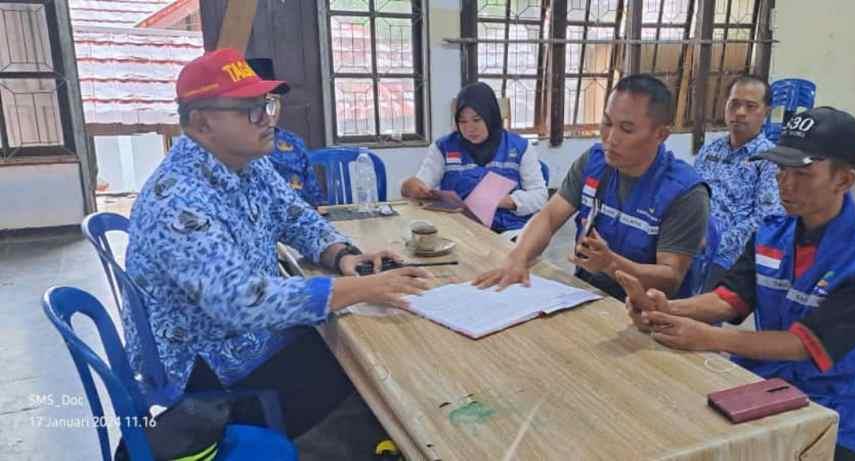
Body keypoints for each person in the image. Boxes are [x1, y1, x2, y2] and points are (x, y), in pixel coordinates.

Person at [125, 49, 431, 442]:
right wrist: (360, 289)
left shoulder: (247, 163)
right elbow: (241, 302)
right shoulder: (178, 201)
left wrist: (344, 256)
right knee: (374, 369)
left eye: (267, 105)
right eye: (251, 110)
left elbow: (294, 215)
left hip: (248, 340)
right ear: (202, 124)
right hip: (208, 374)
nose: (268, 118)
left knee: (364, 345)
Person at [618, 107, 855, 461]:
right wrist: (666, 309)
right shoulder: (772, 232)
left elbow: (803, 344)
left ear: (844, 180)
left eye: (803, 173)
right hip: (771, 383)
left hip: (844, 411)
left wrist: (709, 338)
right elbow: (729, 298)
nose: (785, 183)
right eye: (781, 168)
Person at [474, 74, 709, 301]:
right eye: (606, 123)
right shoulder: (595, 163)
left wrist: (610, 264)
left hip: (650, 313)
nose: (610, 137)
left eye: (626, 129)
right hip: (588, 292)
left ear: (661, 134)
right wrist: (518, 256)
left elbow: (671, 279)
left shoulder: (684, 193)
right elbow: (549, 216)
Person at [400, 82, 547, 234]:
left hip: (508, 231)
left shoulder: (520, 147)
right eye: (462, 121)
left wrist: (503, 201)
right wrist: (412, 187)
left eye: (477, 120)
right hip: (459, 229)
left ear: (490, 116)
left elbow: (540, 196)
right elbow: (423, 183)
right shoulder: (444, 147)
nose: (470, 128)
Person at [693, 74, 784, 286]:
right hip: (692, 239)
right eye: (734, 104)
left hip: (730, 256)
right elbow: (689, 195)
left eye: (750, 106)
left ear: (766, 113)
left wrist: (715, 243)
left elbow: (767, 219)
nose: (740, 113)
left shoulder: (770, 159)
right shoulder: (710, 150)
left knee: (689, 305)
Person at [246, 58, 325, 207]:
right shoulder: (235, 152)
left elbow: (315, 198)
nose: (271, 113)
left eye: (274, 102)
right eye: (261, 104)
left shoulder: (294, 143)